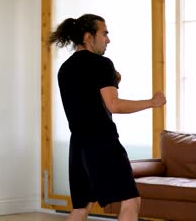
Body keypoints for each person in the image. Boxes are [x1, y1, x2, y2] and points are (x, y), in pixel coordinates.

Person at [49, 13, 166, 221]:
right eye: (104, 33)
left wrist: (113, 79)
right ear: (88, 37)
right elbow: (114, 105)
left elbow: (87, 99)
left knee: (81, 208)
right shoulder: (102, 64)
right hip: (103, 143)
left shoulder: (64, 69)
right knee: (131, 201)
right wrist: (152, 102)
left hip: (78, 145)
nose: (108, 39)